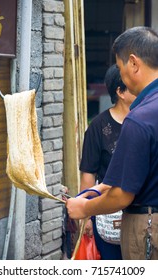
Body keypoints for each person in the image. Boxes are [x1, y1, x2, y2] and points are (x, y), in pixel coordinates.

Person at [66, 26, 158, 260]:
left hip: (147, 224)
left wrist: (84, 209)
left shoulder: (139, 119)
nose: (122, 75)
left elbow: (123, 195)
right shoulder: (102, 124)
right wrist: (101, 187)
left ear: (134, 63)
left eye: (120, 67)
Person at [80, 64, 135, 260]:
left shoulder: (144, 122)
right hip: (107, 215)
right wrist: (87, 216)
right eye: (133, 84)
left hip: (140, 214)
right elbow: (88, 173)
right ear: (120, 92)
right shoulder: (98, 126)